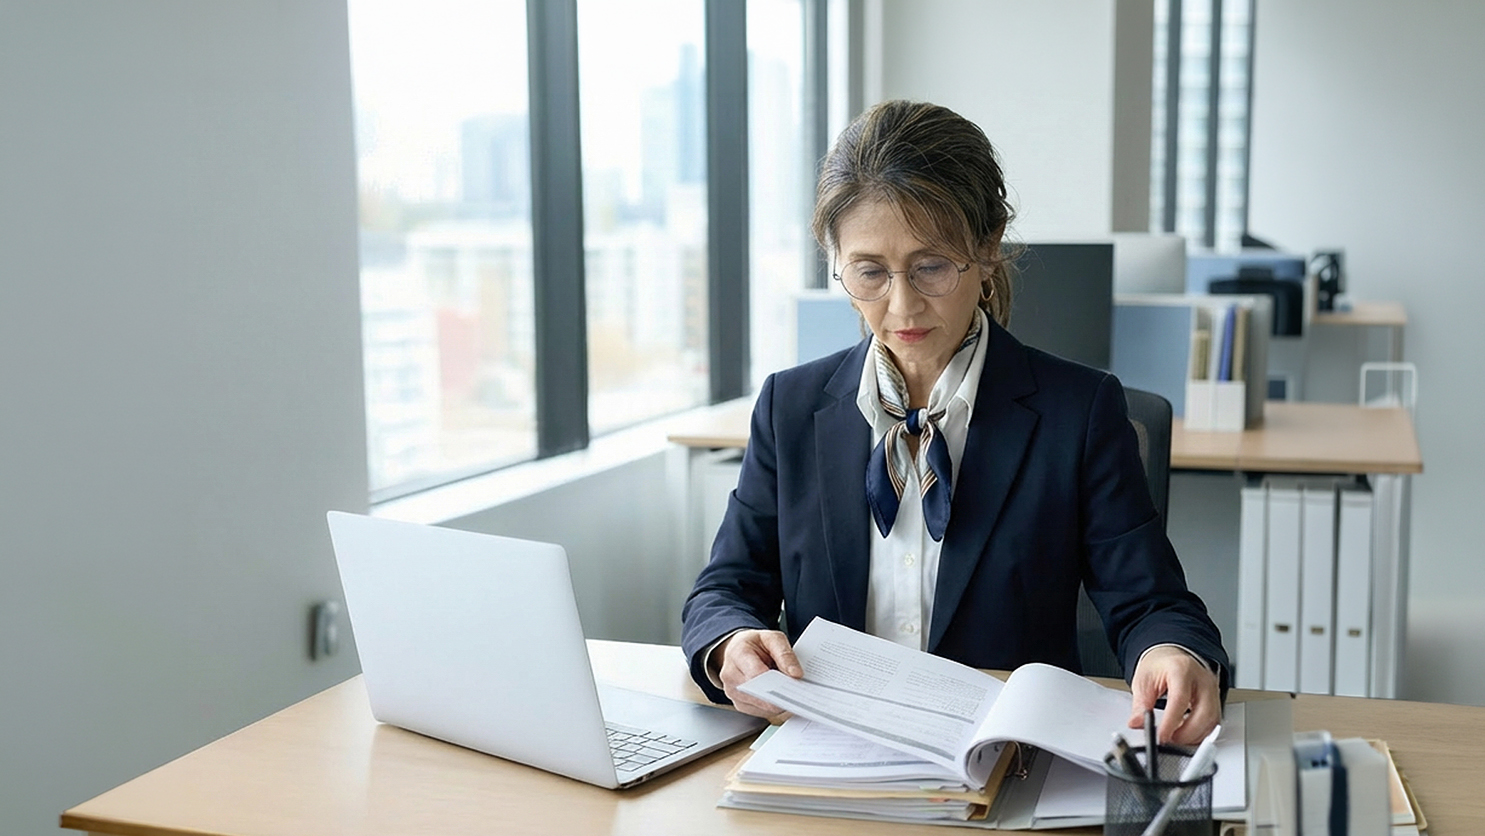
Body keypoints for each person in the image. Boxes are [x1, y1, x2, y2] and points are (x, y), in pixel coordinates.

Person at [680, 100, 1227, 746]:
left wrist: (1172, 652)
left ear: (986, 248)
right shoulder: (790, 408)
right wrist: (730, 642)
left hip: (1005, 761)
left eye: (931, 266)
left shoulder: (1077, 413)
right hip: (830, 761)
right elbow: (724, 588)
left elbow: (1151, 601)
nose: (902, 304)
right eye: (869, 272)